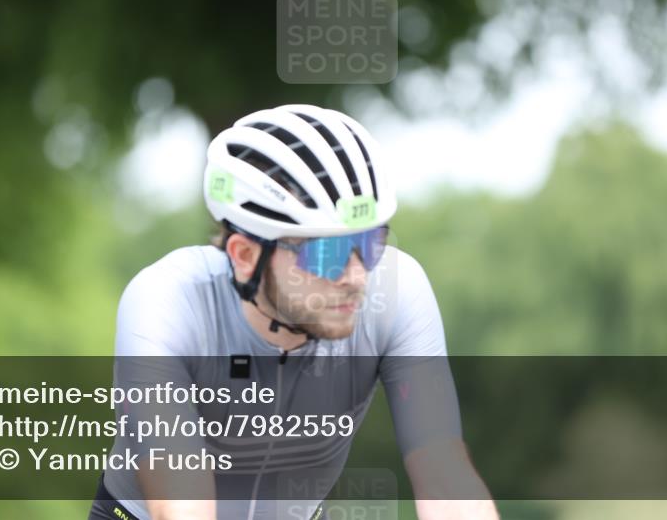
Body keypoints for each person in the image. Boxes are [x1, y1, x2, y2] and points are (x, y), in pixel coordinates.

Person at [89, 104, 500, 520]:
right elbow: (179, 502)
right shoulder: (168, 299)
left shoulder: (397, 291)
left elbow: (445, 474)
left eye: (371, 243)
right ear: (246, 255)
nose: (357, 275)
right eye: (328, 252)